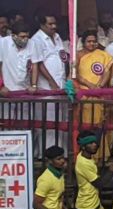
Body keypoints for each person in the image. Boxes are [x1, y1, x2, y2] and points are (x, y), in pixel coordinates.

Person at [32, 15, 69, 158]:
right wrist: (52, 82)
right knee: (47, 121)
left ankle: (61, 153)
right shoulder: (37, 40)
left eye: (55, 23)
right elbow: (39, 64)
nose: (54, 26)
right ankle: (45, 155)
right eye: (50, 24)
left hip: (60, 86)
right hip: (46, 88)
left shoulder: (58, 37)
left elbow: (62, 59)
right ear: (41, 24)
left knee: (61, 120)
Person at [75, 30, 113, 161]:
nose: (92, 44)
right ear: (83, 42)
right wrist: (89, 85)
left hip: (99, 95)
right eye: (89, 41)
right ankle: (86, 155)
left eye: (94, 41)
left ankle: (100, 155)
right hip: (85, 96)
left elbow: (107, 71)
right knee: (87, 126)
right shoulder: (78, 56)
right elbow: (75, 75)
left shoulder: (103, 55)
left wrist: (100, 86)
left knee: (99, 125)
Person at [0, 21, 38, 95]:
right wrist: (1, 86)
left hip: (25, 90)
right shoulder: (2, 43)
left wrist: (33, 85)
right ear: (13, 36)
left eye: (27, 36)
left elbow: (35, 65)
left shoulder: (32, 43)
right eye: (22, 37)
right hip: (6, 90)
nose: (26, 39)